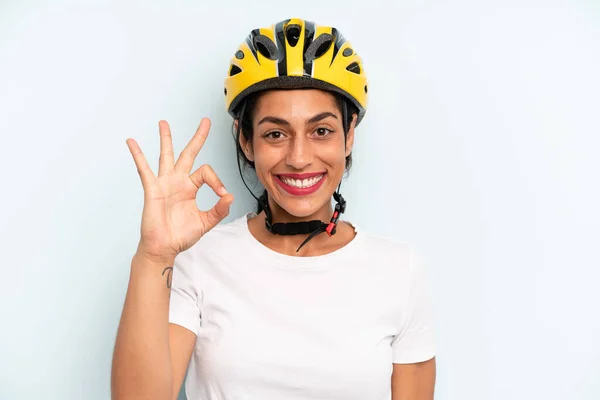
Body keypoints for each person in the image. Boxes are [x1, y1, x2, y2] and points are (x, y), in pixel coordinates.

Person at [111, 17, 436, 400]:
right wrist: (153, 256)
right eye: (275, 134)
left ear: (349, 136)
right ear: (246, 142)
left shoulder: (399, 269)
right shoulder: (199, 260)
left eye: (321, 131)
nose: (299, 158)